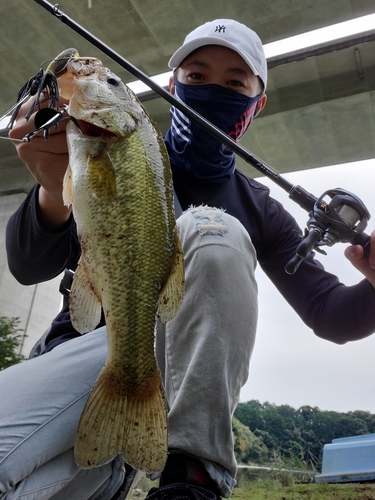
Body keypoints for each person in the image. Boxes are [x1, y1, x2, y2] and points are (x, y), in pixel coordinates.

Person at [2, 18, 375, 500]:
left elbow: (333, 315)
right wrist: (55, 192)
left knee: (210, 227)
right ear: (173, 85)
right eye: (197, 77)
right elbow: (27, 265)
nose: (213, 89)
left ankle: (192, 479)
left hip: (160, 383)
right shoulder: (113, 150)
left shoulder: (261, 208)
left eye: (234, 82)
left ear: (256, 103)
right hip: (71, 361)